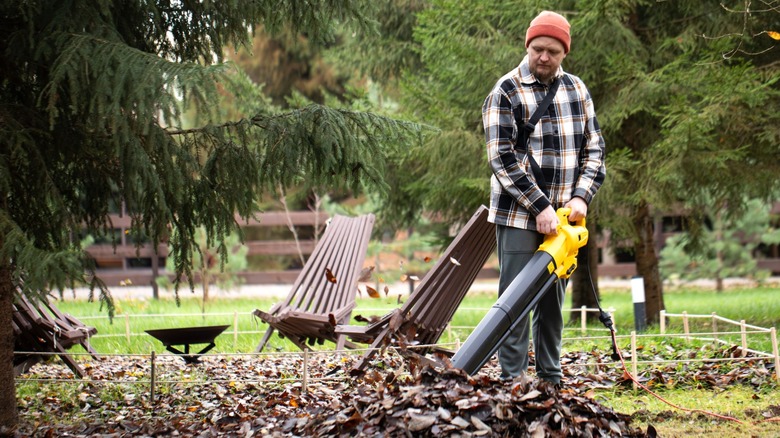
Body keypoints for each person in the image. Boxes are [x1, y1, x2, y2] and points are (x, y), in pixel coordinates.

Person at [482, 11, 606, 386]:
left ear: (564, 52)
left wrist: (582, 197)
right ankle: (513, 381)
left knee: (552, 304)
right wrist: (539, 207)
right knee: (515, 303)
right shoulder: (505, 91)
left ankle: (552, 379)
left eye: (553, 51)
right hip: (519, 217)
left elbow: (595, 149)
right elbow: (501, 158)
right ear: (528, 46)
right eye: (538, 49)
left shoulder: (577, 89)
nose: (544, 57)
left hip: (565, 221)